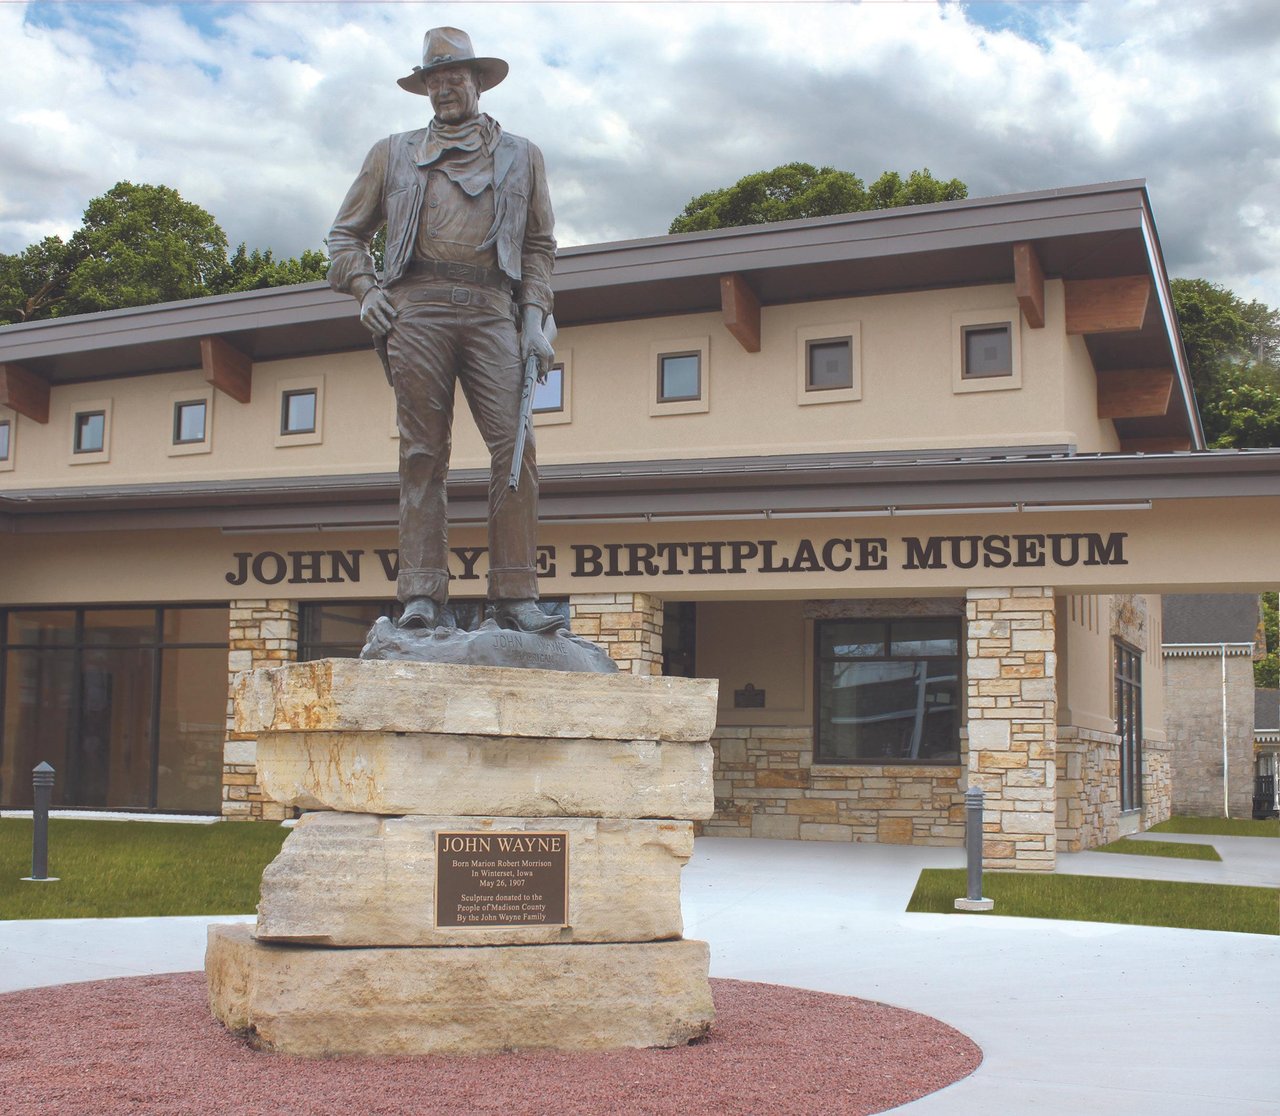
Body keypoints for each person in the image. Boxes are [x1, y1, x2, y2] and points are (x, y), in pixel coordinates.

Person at [328, 27, 564, 633]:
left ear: (478, 81)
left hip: (493, 311)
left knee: (517, 448)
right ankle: (421, 597)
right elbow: (344, 237)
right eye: (433, 81)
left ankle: (514, 597)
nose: (443, 90)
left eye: (453, 78)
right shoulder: (392, 153)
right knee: (423, 454)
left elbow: (539, 247)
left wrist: (535, 320)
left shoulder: (523, 155)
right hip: (418, 309)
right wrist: (366, 290)